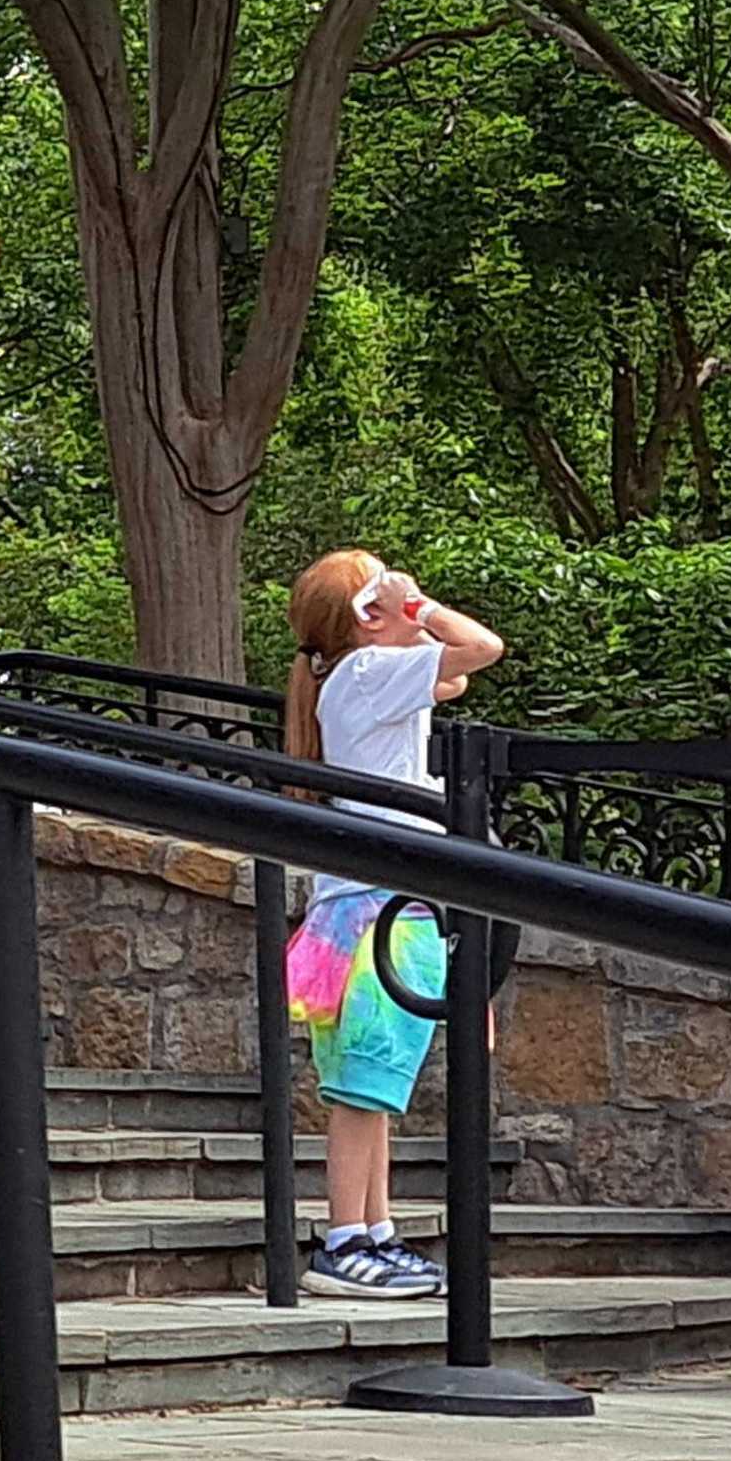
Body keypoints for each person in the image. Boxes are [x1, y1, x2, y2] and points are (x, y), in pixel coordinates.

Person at [278, 550, 507, 1301]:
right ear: (361, 616)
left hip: (375, 907)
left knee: (375, 1085)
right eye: (383, 585)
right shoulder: (365, 676)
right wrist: (423, 608)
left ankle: (374, 1229)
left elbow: (456, 678)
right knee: (361, 1086)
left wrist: (401, 623)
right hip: (376, 909)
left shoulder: (359, 680)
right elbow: (481, 648)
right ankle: (344, 1239)